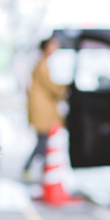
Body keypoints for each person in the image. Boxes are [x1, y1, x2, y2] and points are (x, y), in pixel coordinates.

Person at [22, 37, 67, 181]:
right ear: (46, 47)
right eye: (53, 45)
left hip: (42, 111)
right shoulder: (42, 66)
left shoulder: (42, 64)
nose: (56, 48)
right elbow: (52, 87)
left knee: (44, 142)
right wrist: (65, 89)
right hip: (43, 112)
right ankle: (30, 168)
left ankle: (41, 170)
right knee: (43, 142)